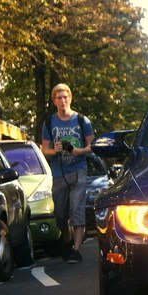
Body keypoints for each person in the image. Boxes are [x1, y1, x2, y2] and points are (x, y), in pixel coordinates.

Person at [41, 83, 94, 264]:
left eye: (65, 97)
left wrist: (79, 151)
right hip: (59, 172)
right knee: (61, 215)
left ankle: (76, 251)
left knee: (77, 209)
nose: (63, 101)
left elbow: (91, 147)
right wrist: (54, 150)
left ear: (70, 99)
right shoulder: (49, 123)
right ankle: (67, 240)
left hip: (78, 169)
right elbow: (44, 150)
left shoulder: (82, 120)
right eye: (59, 98)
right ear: (54, 101)